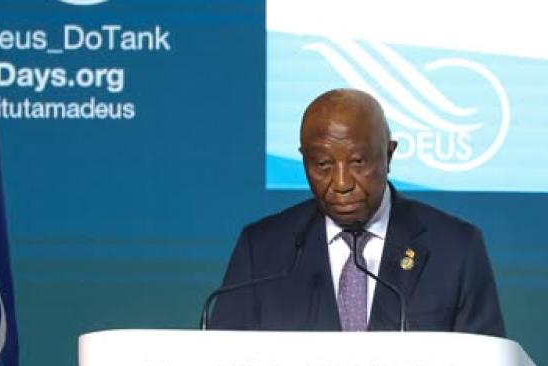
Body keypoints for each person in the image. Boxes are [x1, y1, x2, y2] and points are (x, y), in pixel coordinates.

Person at [210, 89, 504, 336]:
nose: (341, 184)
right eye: (322, 165)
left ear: (389, 155)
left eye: (358, 162)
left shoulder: (456, 249)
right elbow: (222, 365)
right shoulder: (261, 250)